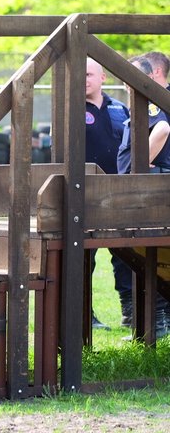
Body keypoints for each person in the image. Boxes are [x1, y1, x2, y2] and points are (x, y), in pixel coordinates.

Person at [116, 53, 170, 338]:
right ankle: (154, 324)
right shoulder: (137, 104)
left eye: (132, 76)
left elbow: (161, 128)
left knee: (149, 252)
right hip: (145, 185)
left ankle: (156, 325)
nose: (127, 82)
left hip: (146, 188)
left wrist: (136, 170)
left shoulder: (148, 104)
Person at [84, 57, 129, 330]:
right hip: (85, 194)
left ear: (103, 78)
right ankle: (84, 315)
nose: (84, 79)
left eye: (89, 74)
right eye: (80, 75)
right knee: (83, 260)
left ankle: (131, 311)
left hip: (118, 194)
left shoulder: (120, 108)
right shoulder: (68, 109)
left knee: (126, 256)